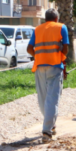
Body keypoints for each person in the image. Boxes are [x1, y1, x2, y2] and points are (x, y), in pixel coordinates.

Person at [27, 9, 69, 143]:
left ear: (45, 19)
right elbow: (66, 48)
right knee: (52, 98)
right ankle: (47, 131)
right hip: (55, 67)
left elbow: (29, 48)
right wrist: (62, 58)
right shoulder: (61, 27)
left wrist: (38, 56)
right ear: (56, 18)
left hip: (40, 67)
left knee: (43, 98)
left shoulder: (37, 29)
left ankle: (51, 125)